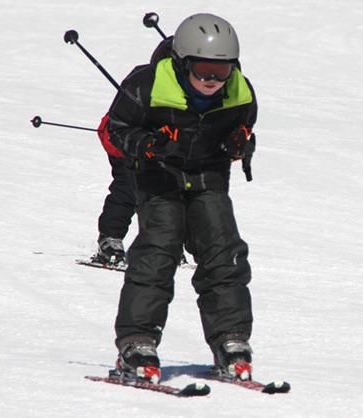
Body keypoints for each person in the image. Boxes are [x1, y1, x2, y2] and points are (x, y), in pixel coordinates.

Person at [105, 13, 257, 384]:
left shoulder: (240, 91)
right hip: (158, 178)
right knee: (158, 252)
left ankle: (231, 342)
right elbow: (116, 128)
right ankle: (137, 343)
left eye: (221, 72)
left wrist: (240, 143)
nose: (212, 81)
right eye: (204, 70)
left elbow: (243, 129)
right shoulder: (146, 86)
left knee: (225, 254)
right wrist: (148, 143)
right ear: (182, 62)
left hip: (208, 179)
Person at [93, 114, 135, 266]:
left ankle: (164, 242)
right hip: (123, 139)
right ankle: (110, 237)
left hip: (160, 145)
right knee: (128, 187)